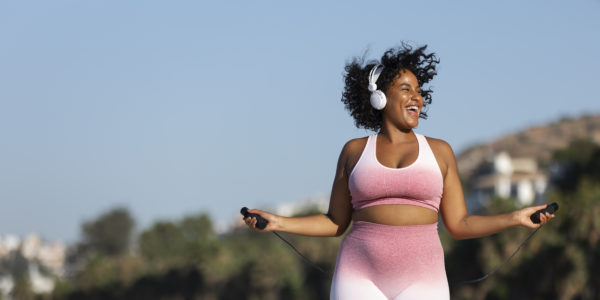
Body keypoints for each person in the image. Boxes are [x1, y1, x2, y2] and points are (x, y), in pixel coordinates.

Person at [242, 43, 555, 300]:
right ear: (380, 97)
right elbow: (336, 222)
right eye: (406, 89)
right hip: (358, 274)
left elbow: (459, 224)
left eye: (419, 91)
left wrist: (514, 218)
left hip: (424, 278)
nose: (416, 97)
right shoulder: (353, 151)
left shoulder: (440, 151)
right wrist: (278, 222)